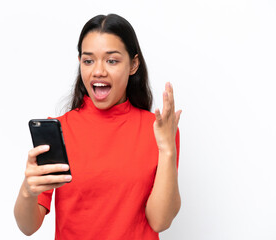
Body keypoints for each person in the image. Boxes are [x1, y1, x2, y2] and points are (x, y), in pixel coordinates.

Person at [14, 13, 182, 240]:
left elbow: (160, 220)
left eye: (112, 60)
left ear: (133, 65)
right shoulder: (61, 130)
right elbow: (28, 227)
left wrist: (167, 149)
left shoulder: (157, 130)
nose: (98, 71)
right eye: (88, 60)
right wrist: (28, 190)